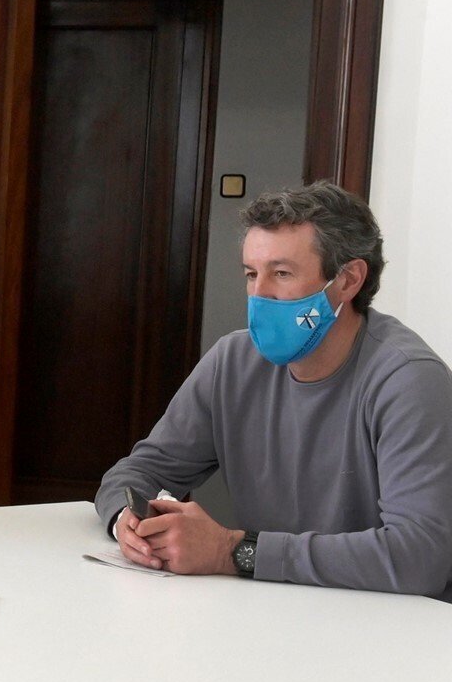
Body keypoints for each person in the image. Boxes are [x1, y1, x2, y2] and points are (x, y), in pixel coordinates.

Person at [97, 181, 452, 599]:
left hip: (386, 624)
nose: (259, 294)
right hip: (271, 609)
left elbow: (419, 559)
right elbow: (137, 473)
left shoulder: (409, 380)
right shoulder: (232, 361)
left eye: (281, 273)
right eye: (252, 274)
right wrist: (128, 521)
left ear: (348, 280)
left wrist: (232, 551)